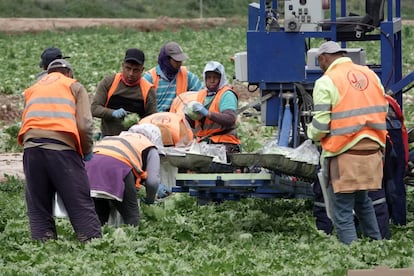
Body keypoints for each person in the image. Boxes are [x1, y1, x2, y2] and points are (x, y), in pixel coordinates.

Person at [307, 41, 388, 245]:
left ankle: (350, 256)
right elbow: (383, 107)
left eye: (319, 61)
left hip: (344, 153)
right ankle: (376, 247)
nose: (320, 66)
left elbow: (321, 126)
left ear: (325, 58)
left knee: (341, 211)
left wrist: (311, 134)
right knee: (363, 201)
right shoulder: (370, 75)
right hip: (373, 152)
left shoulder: (327, 81)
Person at [17, 59, 102, 242]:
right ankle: (93, 244)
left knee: (38, 206)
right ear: (69, 73)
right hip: (62, 151)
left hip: (31, 150)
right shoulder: (74, 86)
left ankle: (43, 244)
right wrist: (86, 149)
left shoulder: (33, 89)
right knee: (79, 203)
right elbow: (85, 125)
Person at [86, 124, 164, 226]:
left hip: (89, 169)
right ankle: (132, 239)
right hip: (118, 168)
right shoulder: (149, 146)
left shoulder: (114, 138)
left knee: (99, 214)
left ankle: (92, 239)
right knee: (132, 216)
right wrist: (150, 199)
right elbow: (153, 182)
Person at [91, 48, 158, 137]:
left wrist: (138, 121)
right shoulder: (109, 82)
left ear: (142, 70)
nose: (131, 73)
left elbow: (152, 120)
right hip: (109, 138)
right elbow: (94, 109)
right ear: (123, 66)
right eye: (128, 68)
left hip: (136, 140)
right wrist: (112, 113)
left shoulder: (148, 90)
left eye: (136, 70)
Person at [185, 61, 241, 161]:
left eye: (215, 77)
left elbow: (230, 119)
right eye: (209, 77)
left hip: (224, 144)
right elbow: (196, 124)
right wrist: (189, 115)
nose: (212, 80)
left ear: (221, 78)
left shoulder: (226, 94)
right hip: (204, 143)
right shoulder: (201, 95)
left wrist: (207, 113)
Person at [143, 41, 203, 112]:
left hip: (178, 118)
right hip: (154, 118)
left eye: (181, 60)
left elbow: (202, 94)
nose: (180, 63)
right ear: (166, 60)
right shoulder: (150, 77)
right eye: (176, 61)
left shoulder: (186, 75)